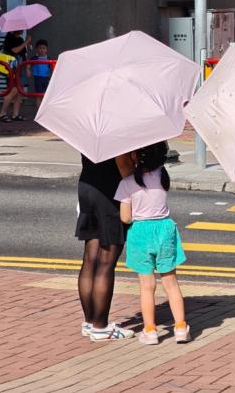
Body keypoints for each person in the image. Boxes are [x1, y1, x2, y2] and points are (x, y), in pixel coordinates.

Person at [114, 141, 191, 345]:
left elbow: (125, 218)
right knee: (171, 283)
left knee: (147, 286)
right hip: (165, 229)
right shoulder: (163, 177)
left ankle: (150, 331)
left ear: (135, 156)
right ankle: (181, 328)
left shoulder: (128, 183)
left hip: (141, 232)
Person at [77, 153, 135, 341]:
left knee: (90, 259)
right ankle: (100, 326)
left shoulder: (90, 126)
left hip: (88, 187)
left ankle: (89, 321)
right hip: (110, 194)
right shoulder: (117, 132)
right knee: (106, 262)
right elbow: (124, 166)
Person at [0, 30, 30, 122]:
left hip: (20, 67)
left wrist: (27, 68)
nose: (22, 30)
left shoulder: (20, 39)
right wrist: (26, 42)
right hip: (12, 67)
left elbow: (23, 55)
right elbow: (14, 50)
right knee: (13, 89)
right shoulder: (9, 37)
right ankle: (2, 113)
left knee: (20, 91)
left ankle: (15, 114)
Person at [30, 39, 52, 108]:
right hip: (38, 79)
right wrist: (28, 70)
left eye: (44, 48)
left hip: (46, 78)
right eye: (40, 48)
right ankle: (39, 111)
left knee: (46, 95)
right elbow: (28, 64)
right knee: (38, 95)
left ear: (46, 49)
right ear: (37, 49)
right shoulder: (34, 58)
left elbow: (52, 66)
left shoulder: (48, 58)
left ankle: (45, 109)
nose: (42, 50)